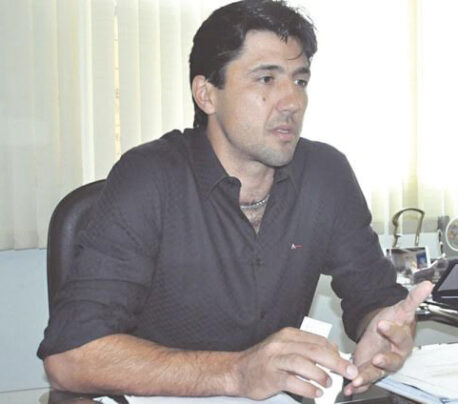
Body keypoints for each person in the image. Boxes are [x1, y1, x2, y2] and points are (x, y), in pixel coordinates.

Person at [38, 0, 432, 400]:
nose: (292, 102)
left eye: (300, 81)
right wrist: (237, 373)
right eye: (266, 79)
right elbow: (70, 357)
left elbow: (376, 300)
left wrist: (387, 331)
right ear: (206, 95)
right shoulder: (148, 178)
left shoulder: (325, 174)